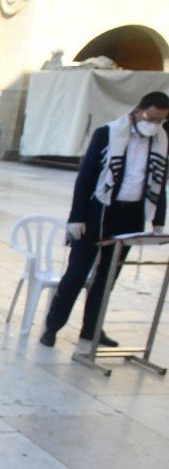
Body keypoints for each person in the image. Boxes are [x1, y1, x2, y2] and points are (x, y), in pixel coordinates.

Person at [40, 91, 168, 348]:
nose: (154, 125)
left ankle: (91, 329)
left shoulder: (161, 141)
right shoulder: (108, 133)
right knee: (76, 273)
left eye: (160, 121)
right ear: (137, 111)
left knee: (108, 277)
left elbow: (160, 181)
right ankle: (52, 327)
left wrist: (157, 222)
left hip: (130, 216)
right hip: (98, 213)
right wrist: (76, 217)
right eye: (151, 118)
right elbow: (85, 177)